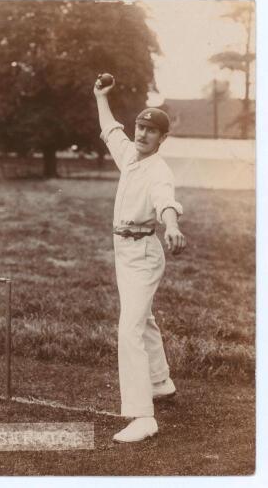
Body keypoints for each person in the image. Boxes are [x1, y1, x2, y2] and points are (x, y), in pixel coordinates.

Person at [94, 75, 186, 443]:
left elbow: (166, 200)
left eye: (152, 131)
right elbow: (109, 130)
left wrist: (173, 226)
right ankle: (161, 382)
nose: (143, 134)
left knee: (129, 328)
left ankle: (142, 416)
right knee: (142, 319)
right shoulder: (130, 155)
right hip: (124, 251)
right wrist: (101, 96)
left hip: (146, 254)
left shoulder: (159, 170)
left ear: (163, 139)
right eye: (141, 126)